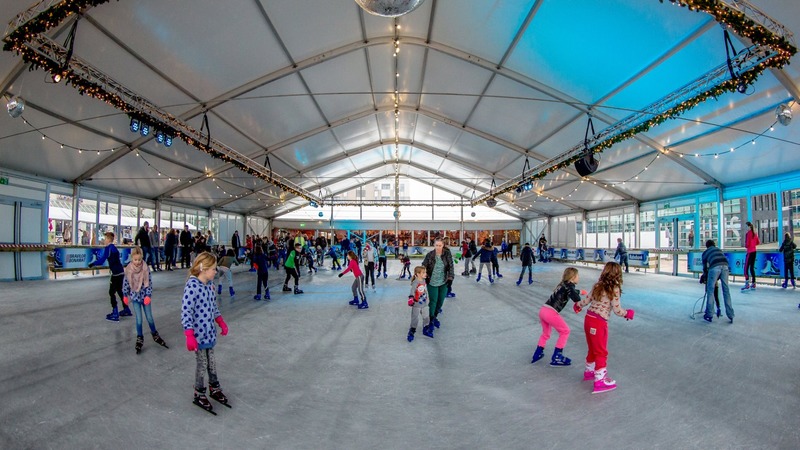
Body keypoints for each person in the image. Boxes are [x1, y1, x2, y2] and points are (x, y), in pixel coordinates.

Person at [181, 252, 230, 414]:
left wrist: (220, 322)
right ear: (204, 269)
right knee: (202, 365)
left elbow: (213, 307)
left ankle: (214, 388)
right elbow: (186, 311)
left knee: (212, 363)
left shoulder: (210, 286)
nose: (216, 272)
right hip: (198, 337)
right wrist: (189, 334)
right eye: (214, 269)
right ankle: (199, 392)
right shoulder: (192, 287)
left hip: (209, 334)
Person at [573, 262, 634, 394]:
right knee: (601, 351)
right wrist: (627, 313)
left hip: (588, 319)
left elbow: (587, 300)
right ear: (617, 274)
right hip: (599, 323)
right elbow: (617, 310)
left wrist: (578, 305)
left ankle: (589, 371)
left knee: (592, 348)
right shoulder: (614, 288)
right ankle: (600, 380)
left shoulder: (597, 285)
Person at [531, 267, 583, 366]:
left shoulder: (563, 284)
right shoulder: (570, 286)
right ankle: (557, 356)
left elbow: (569, 291)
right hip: (551, 312)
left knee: (546, 333)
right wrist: (579, 298)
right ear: (573, 277)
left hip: (543, 310)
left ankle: (537, 353)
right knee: (565, 331)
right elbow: (576, 298)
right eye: (578, 276)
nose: (578, 278)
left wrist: (579, 291)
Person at [122, 247, 168, 354]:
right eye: (135, 260)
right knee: (139, 319)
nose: (137, 262)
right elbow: (125, 283)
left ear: (142, 258)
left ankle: (154, 334)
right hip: (135, 297)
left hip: (145, 297)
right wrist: (125, 294)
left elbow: (149, 282)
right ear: (132, 258)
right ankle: (140, 337)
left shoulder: (145, 268)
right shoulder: (129, 269)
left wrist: (148, 295)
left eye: (139, 259)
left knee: (149, 317)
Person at [89, 232, 132, 321]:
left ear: (108, 239)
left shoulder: (108, 248)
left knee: (111, 292)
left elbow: (102, 260)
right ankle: (126, 308)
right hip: (120, 272)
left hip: (116, 274)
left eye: (105, 239)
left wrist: (93, 263)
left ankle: (115, 312)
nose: (104, 240)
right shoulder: (114, 248)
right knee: (120, 292)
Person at [421, 238, 455, 331]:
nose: (438, 247)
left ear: (443, 245)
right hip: (432, 282)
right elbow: (423, 266)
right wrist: (424, 275)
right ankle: (431, 319)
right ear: (434, 245)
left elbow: (451, 266)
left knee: (440, 301)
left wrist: (450, 277)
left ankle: (435, 316)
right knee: (433, 301)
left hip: (443, 282)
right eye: (437, 245)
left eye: (440, 245)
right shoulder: (430, 255)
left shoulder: (447, 254)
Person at [701, 239, 733, 323]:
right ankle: (730, 314)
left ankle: (709, 314)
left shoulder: (705, 253)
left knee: (710, 290)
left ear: (707, 246)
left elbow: (705, 268)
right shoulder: (719, 250)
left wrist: (705, 277)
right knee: (726, 290)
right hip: (725, 266)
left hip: (714, 267)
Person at [406, 266, 434, 342]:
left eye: (425, 272)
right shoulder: (415, 282)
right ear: (418, 274)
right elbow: (412, 291)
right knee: (415, 318)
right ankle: (412, 330)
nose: (425, 274)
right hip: (417, 304)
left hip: (424, 303)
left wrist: (428, 300)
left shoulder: (424, 281)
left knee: (426, 317)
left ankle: (426, 328)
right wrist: (411, 298)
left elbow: (425, 290)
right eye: (423, 272)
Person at [742, 221, 759, 291]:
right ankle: (754, 283)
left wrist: (746, 245)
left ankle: (747, 283)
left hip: (749, 252)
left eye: (746, 226)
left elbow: (747, 244)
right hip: (754, 251)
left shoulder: (748, 234)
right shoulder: (755, 233)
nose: (746, 228)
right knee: (752, 268)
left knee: (746, 268)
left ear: (749, 227)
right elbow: (758, 242)